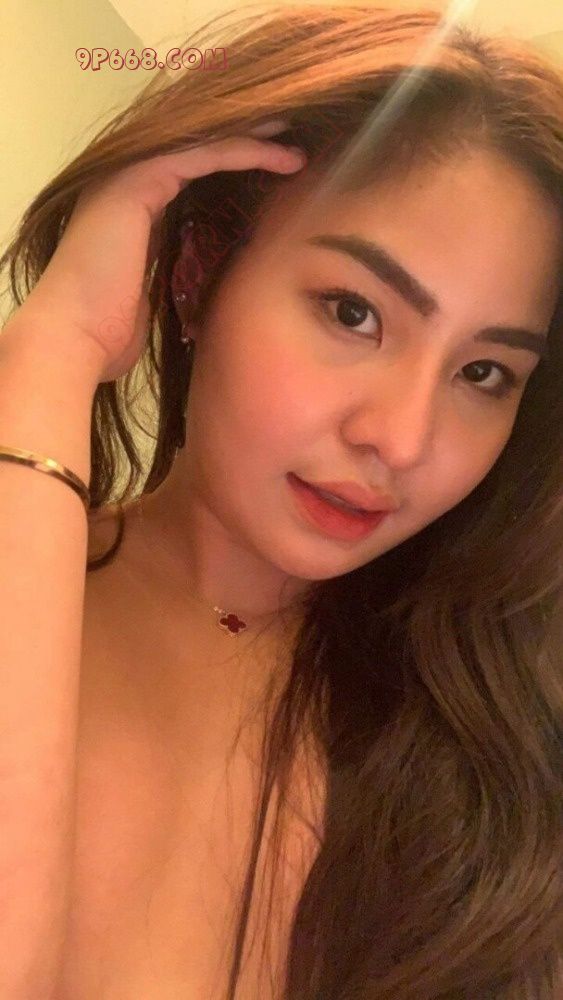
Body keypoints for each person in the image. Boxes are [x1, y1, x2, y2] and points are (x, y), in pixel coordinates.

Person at [0, 2, 562, 997]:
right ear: (195, 273)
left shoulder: (501, 720)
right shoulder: (34, 600)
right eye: (353, 312)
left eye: (483, 373)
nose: (401, 439)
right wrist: (53, 350)